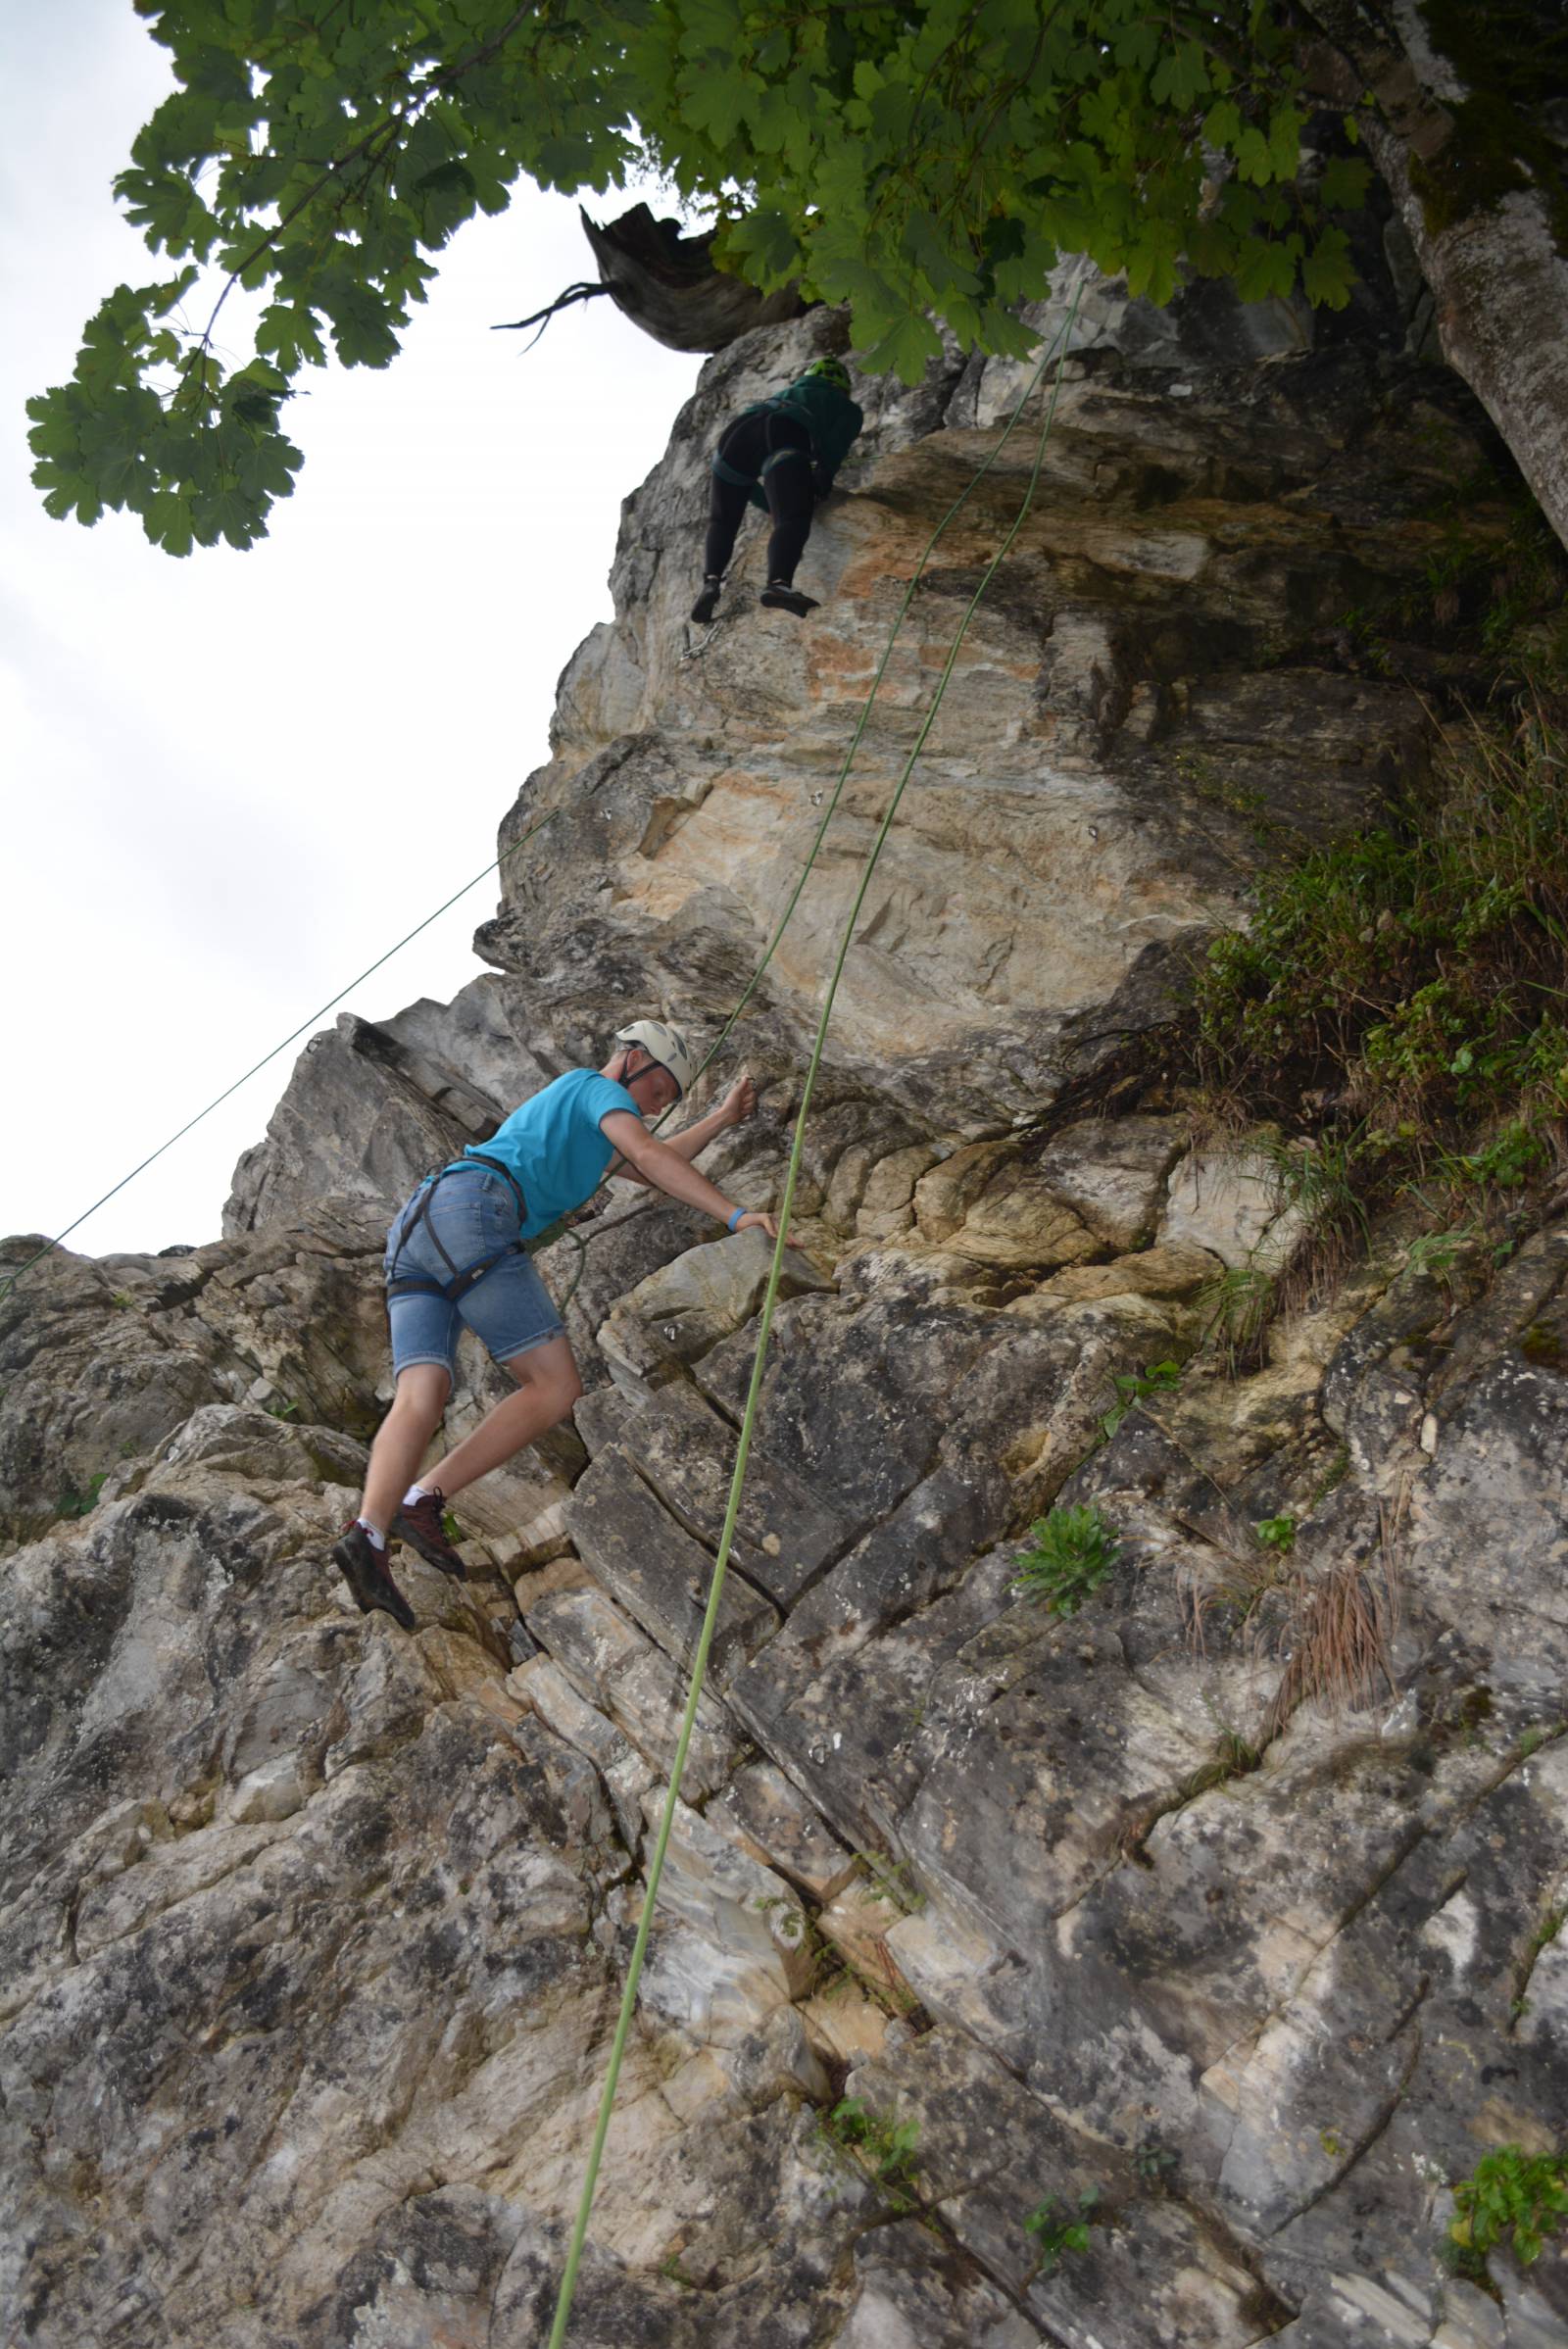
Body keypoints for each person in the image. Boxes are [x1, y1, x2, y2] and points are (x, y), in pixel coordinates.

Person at [331, 1018, 784, 1628]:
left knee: (422, 1393)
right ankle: (423, 1499)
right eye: (658, 1092)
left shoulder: (591, 1119)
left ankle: (369, 1533)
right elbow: (648, 1152)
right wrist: (737, 1216)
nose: (657, 1106)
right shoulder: (596, 1088)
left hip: (418, 1227)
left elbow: (652, 1161)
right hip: (475, 1209)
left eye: (668, 1101)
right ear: (631, 1059)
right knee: (554, 1386)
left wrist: (724, 1118)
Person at [691, 355, 864, 624]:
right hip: (784, 430)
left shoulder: (788, 393)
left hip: (736, 435)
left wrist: (773, 503)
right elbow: (832, 451)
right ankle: (778, 583)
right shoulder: (846, 407)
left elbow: (747, 487)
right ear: (842, 387)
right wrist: (818, 483)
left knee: (722, 520)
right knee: (793, 518)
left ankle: (711, 581)